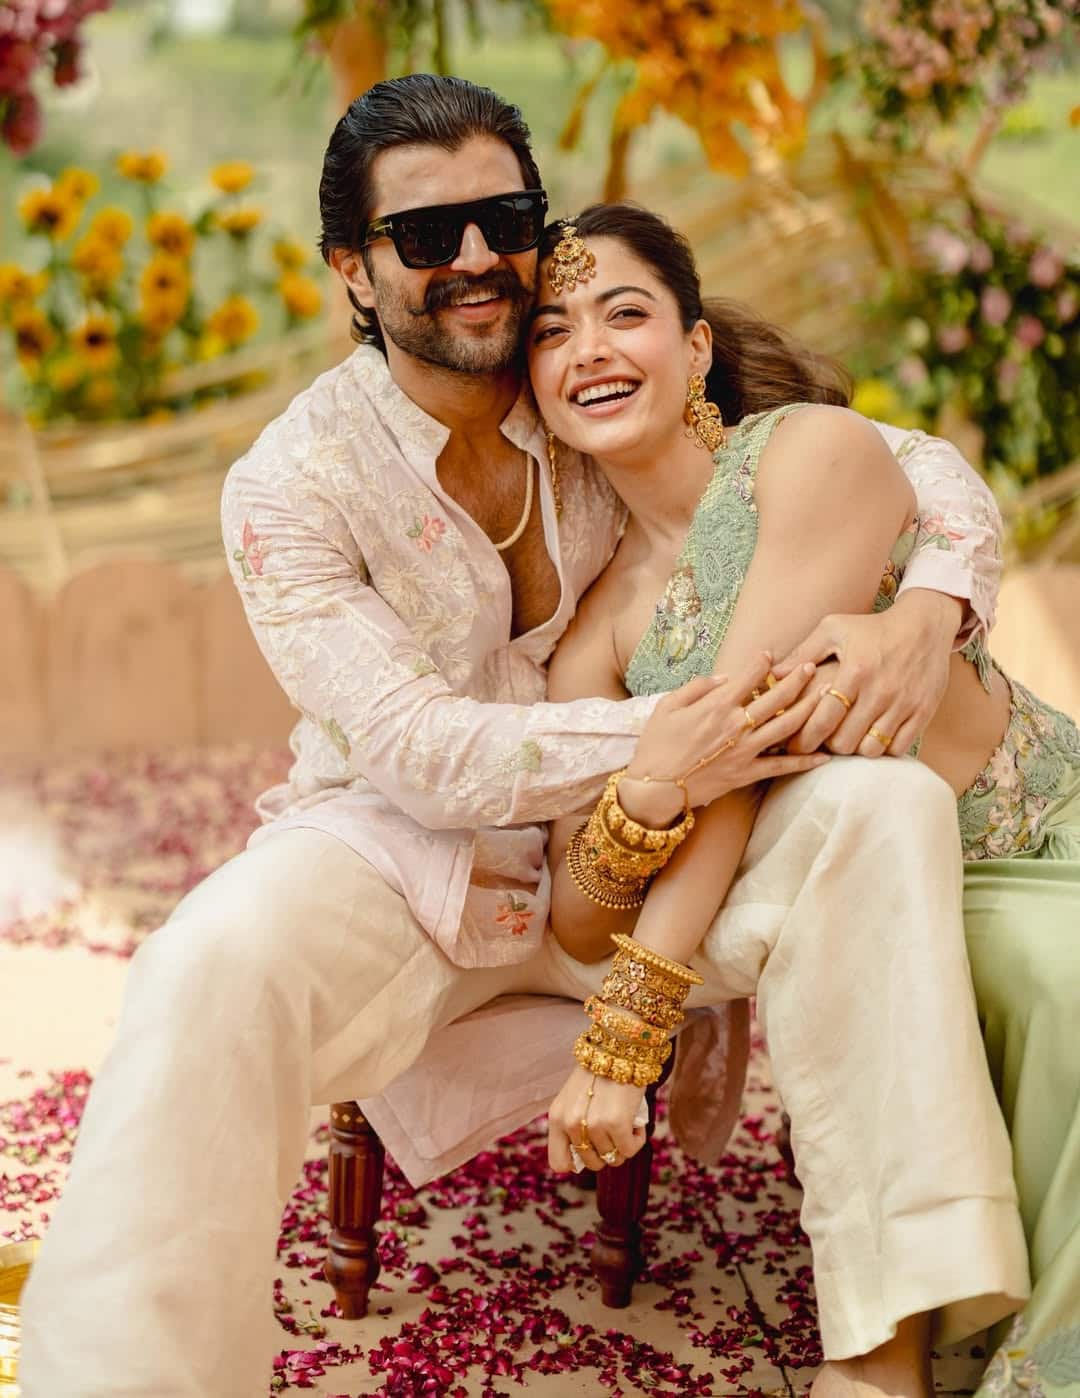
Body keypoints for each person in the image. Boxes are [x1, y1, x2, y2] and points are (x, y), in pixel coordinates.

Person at [19, 75, 1026, 1398]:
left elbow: (912, 464)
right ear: (354, 271)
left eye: (503, 221)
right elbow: (424, 751)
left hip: (645, 866)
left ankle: (889, 1340)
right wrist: (682, 732)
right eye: (424, 235)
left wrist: (933, 610)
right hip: (398, 858)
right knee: (204, 962)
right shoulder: (290, 484)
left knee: (880, 806)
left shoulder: (583, 383)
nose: (476, 257)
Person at [529, 202, 1080, 1398]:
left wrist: (629, 1032)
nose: (590, 350)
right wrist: (644, 800)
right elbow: (576, 913)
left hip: (1042, 836)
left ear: (696, 346)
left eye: (624, 314)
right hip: (889, 885)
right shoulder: (595, 636)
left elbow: (756, 739)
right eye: (551, 331)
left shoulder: (810, 456)